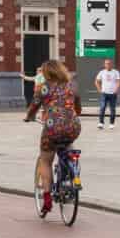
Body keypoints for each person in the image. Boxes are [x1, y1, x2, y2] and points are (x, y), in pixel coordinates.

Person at [24, 59, 82, 215]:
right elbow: (78, 107)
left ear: (46, 73)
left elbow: (33, 107)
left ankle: (48, 199)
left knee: (45, 160)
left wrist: (29, 117)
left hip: (52, 127)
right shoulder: (72, 86)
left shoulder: (44, 88)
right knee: (68, 146)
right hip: (73, 126)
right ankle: (72, 173)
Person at [94, 57, 120, 128]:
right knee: (102, 108)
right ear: (104, 65)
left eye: (109, 64)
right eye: (106, 64)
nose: (108, 65)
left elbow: (118, 82)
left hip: (113, 93)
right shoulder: (102, 72)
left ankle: (111, 124)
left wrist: (116, 90)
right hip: (104, 93)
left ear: (111, 64)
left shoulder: (116, 72)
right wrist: (99, 90)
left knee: (112, 108)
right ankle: (101, 123)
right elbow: (96, 81)